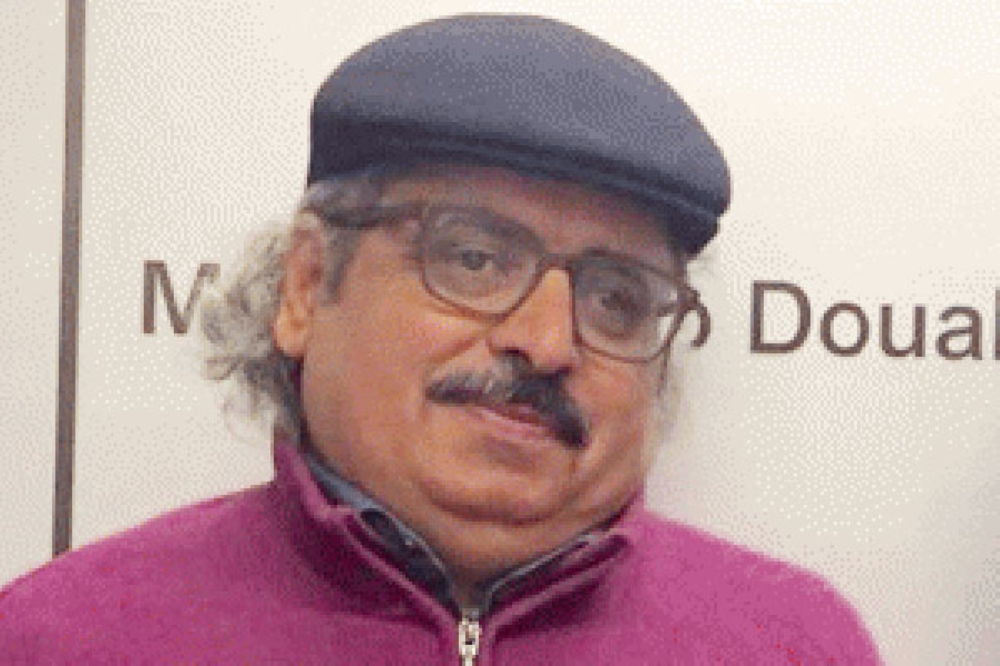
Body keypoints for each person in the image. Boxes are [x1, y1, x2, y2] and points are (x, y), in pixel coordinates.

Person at [0, 14, 881, 664]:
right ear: (306, 286)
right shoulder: (63, 640)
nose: (546, 343)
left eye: (615, 298)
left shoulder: (796, 646)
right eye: (474, 258)